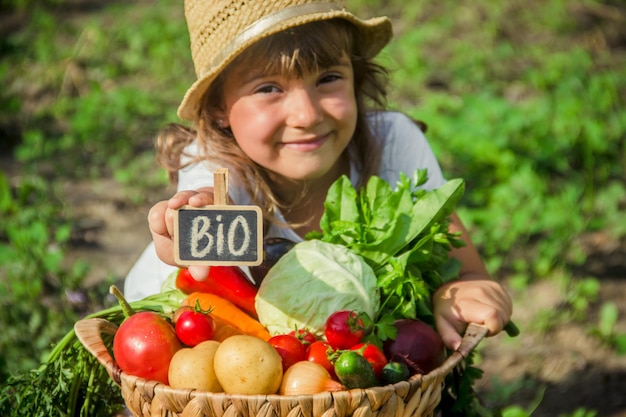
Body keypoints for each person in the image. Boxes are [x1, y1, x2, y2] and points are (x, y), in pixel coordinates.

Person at [124, 0, 513, 351]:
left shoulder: (392, 143)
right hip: (164, 355)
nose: (307, 115)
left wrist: (466, 290)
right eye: (268, 88)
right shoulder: (214, 167)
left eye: (328, 79)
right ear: (219, 108)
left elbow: (466, 268)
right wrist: (186, 228)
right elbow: (197, 226)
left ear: (356, 76)